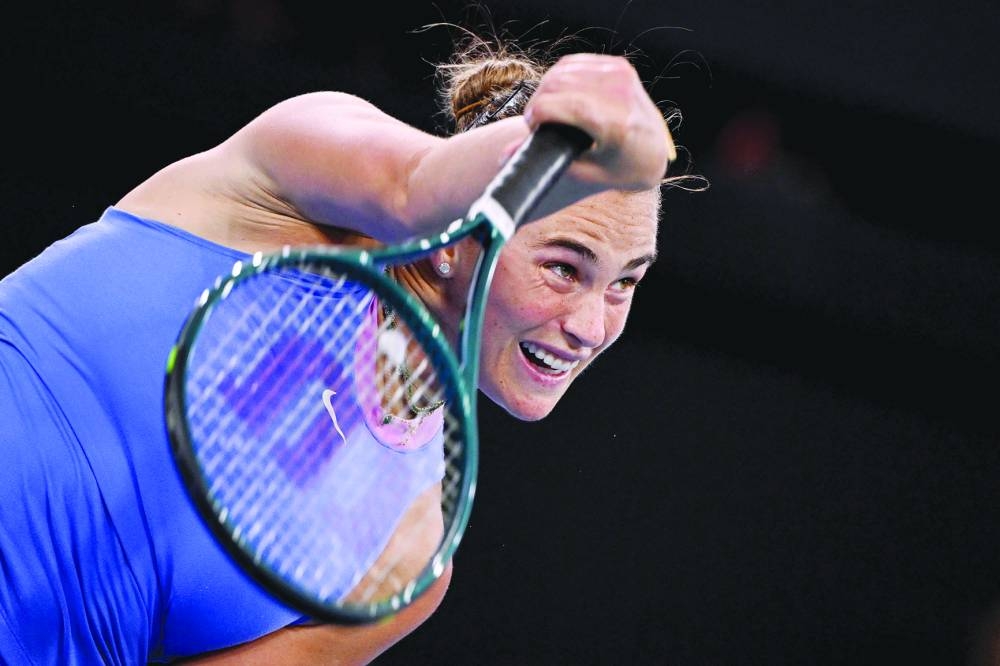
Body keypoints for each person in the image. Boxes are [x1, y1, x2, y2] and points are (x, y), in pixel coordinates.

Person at [0, 24, 689, 665]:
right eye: (564, 268)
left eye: (625, 283)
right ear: (466, 237)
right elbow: (414, 185)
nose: (591, 326)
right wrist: (589, 144)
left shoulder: (413, 558)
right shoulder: (289, 181)